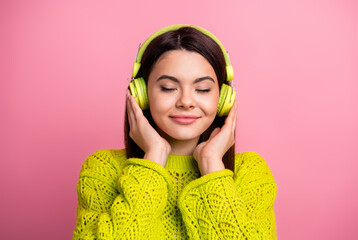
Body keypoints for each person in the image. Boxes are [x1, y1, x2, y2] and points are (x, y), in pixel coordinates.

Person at [73, 24, 277, 240]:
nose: (186, 102)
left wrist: (212, 167)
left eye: (203, 89)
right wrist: (152, 160)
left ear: (224, 98)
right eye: (169, 88)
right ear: (141, 94)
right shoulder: (103, 169)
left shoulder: (250, 173)